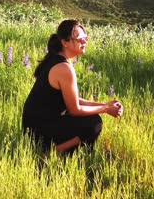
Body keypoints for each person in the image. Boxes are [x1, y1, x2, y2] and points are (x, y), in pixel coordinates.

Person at [23, 19, 124, 154]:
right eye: (79, 38)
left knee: (90, 119)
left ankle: (67, 151)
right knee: (93, 123)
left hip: (35, 126)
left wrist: (105, 105)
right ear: (65, 42)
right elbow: (75, 109)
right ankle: (52, 152)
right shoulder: (64, 68)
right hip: (38, 132)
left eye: (85, 37)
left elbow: (73, 100)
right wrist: (106, 109)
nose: (84, 41)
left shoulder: (57, 59)